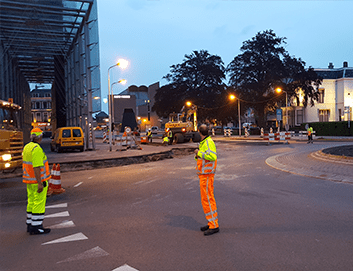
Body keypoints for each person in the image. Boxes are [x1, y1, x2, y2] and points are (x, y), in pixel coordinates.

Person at [22, 128, 51, 235]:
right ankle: (37, 227)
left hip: (28, 180)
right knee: (39, 203)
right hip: (38, 181)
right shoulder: (37, 149)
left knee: (31, 202)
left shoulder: (27, 147)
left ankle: (30, 225)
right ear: (40, 137)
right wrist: (40, 183)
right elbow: (37, 167)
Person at [194, 124, 219, 236]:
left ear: (200, 132)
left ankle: (214, 225)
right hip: (204, 175)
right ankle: (211, 222)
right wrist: (198, 155)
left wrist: (198, 153)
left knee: (208, 199)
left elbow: (212, 156)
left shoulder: (208, 142)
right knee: (206, 200)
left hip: (207, 175)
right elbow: (205, 157)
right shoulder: (205, 142)